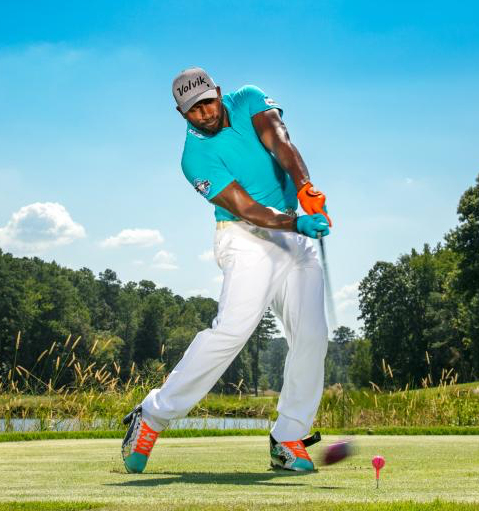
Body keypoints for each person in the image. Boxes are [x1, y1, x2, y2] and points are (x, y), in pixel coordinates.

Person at [121, 67, 332, 473]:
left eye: (207, 102)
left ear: (218, 92)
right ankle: (151, 415)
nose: (203, 113)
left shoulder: (250, 97)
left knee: (312, 336)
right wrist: (297, 222)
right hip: (245, 236)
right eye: (192, 110)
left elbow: (279, 140)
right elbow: (246, 208)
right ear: (181, 113)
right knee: (232, 331)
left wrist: (305, 188)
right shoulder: (194, 157)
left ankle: (288, 437)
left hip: (293, 231)